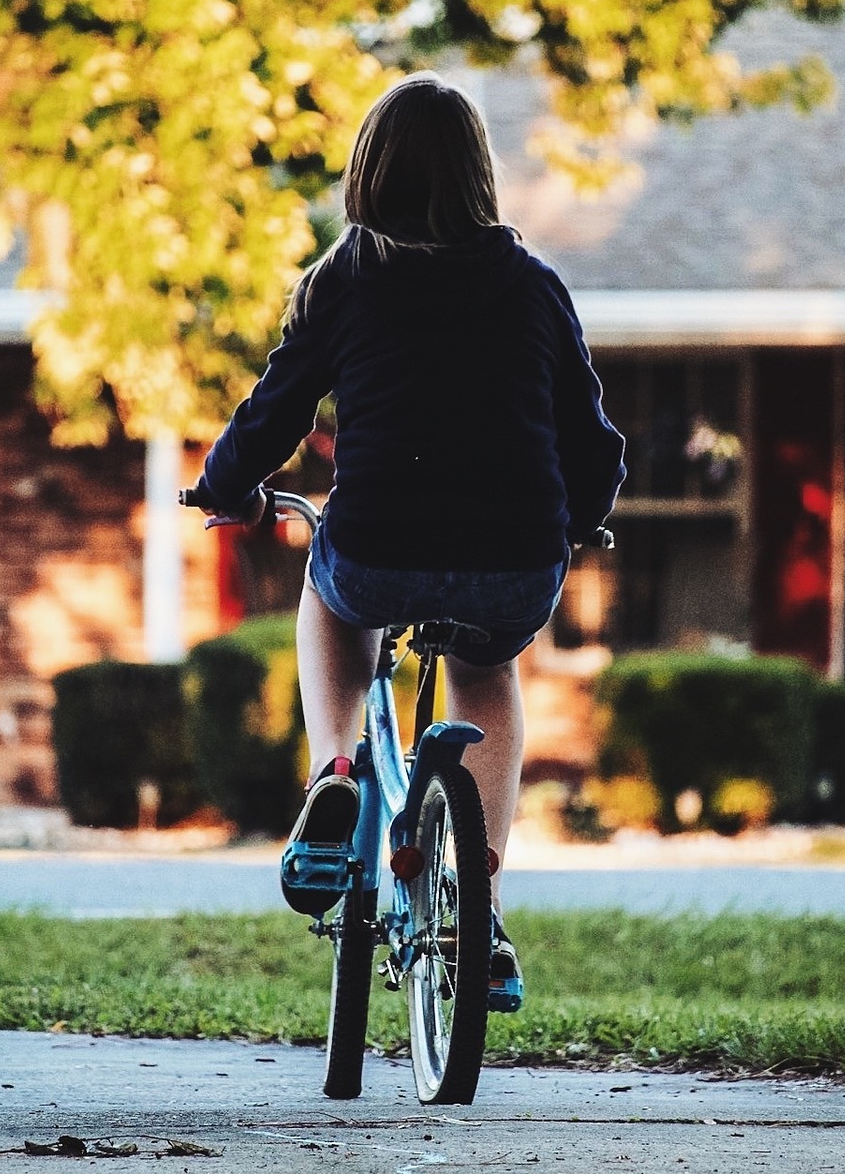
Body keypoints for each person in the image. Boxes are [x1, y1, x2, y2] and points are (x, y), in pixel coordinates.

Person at [191, 73, 625, 1009]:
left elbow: (272, 415)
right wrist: (587, 514)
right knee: (486, 675)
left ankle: (336, 773)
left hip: (379, 542)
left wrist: (225, 490)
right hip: (515, 557)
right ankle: (483, 910)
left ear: (366, 174)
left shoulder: (344, 282)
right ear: (480, 175)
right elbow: (589, 437)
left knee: (329, 594)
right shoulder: (533, 287)